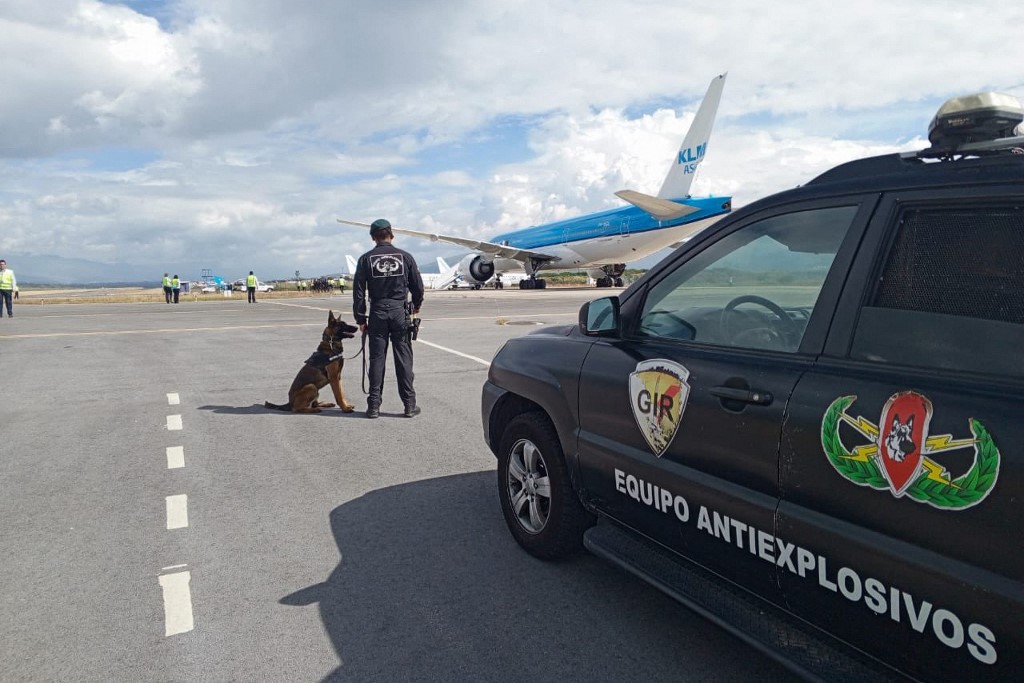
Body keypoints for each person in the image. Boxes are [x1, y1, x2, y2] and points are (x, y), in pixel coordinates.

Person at [353, 219, 425, 418]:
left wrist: (360, 318)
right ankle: (409, 405)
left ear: (373, 237)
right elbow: (417, 287)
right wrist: (415, 306)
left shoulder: (365, 259)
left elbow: (359, 292)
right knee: (403, 358)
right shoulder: (405, 257)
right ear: (391, 234)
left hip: (377, 312)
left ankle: (374, 405)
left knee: (377, 358)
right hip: (399, 311)